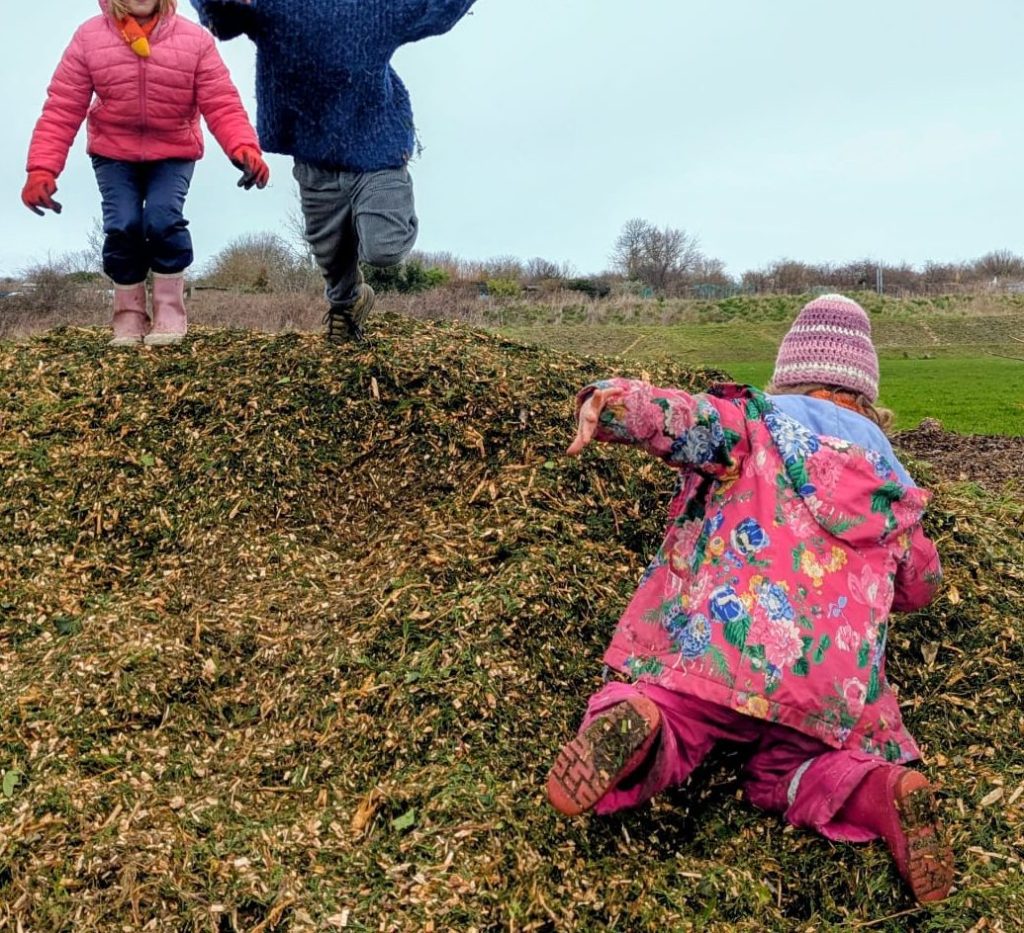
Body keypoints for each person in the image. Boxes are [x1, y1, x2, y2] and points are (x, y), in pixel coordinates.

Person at [547, 294, 954, 905]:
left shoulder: (752, 424)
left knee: (675, 713)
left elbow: (681, 418)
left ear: (789, 370)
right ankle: (882, 793)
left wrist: (609, 403)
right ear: (866, 392)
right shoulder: (895, 488)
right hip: (828, 691)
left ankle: (643, 729)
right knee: (797, 768)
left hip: (719, 651)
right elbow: (921, 584)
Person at [189, 0, 478, 343]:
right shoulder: (271, 6)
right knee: (328, 250)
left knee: (383, 248)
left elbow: (434, 10)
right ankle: (347, 304)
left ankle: (387, 207)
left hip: (376, 148)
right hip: (314, 152)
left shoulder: (378, 9)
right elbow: (224, 19)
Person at [22, 0, 269, 347]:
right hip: (113, 153)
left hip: (173, 151)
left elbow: (222, 101)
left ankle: (170, 314)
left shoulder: (194, 40)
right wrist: (42, 168)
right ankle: (129, 318)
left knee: (162, 218)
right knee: (122, 225)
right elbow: (62, 106)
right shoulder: (89, 38)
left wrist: (244, 147)